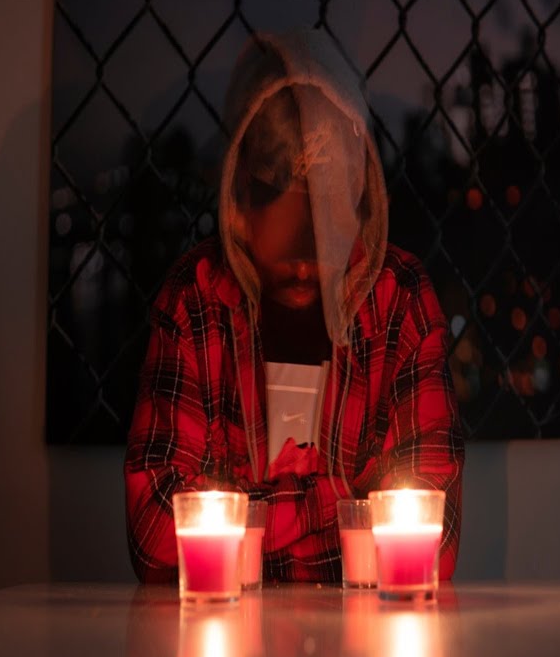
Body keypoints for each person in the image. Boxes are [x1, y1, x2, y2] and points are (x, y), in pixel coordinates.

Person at [124, 28, 464, 583]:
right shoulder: (195, 299)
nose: (305, 265)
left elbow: (435, 541)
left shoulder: (400, 301)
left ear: (358, 198)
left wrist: (247, 518)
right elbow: (155, 534)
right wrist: (345, 503)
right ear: (238, 204)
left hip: (372, 638)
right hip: (222, 636)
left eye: (326, 233)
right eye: (285, 241)